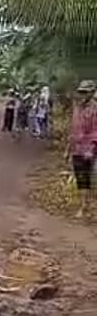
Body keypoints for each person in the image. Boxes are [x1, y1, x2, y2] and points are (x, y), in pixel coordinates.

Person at [69, 80, 97, 218]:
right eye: (81, 92)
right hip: (77, 148)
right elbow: (74, 129)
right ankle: (84, 205)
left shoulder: (95, 109)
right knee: (81, 178)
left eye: (85, 92)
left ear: (92, 93)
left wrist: (91, 149)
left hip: (90, 149)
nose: (83, 94)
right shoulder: (77, 108)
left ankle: (85, 206)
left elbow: (95, 131)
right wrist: (68, 148)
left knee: (89, 177)